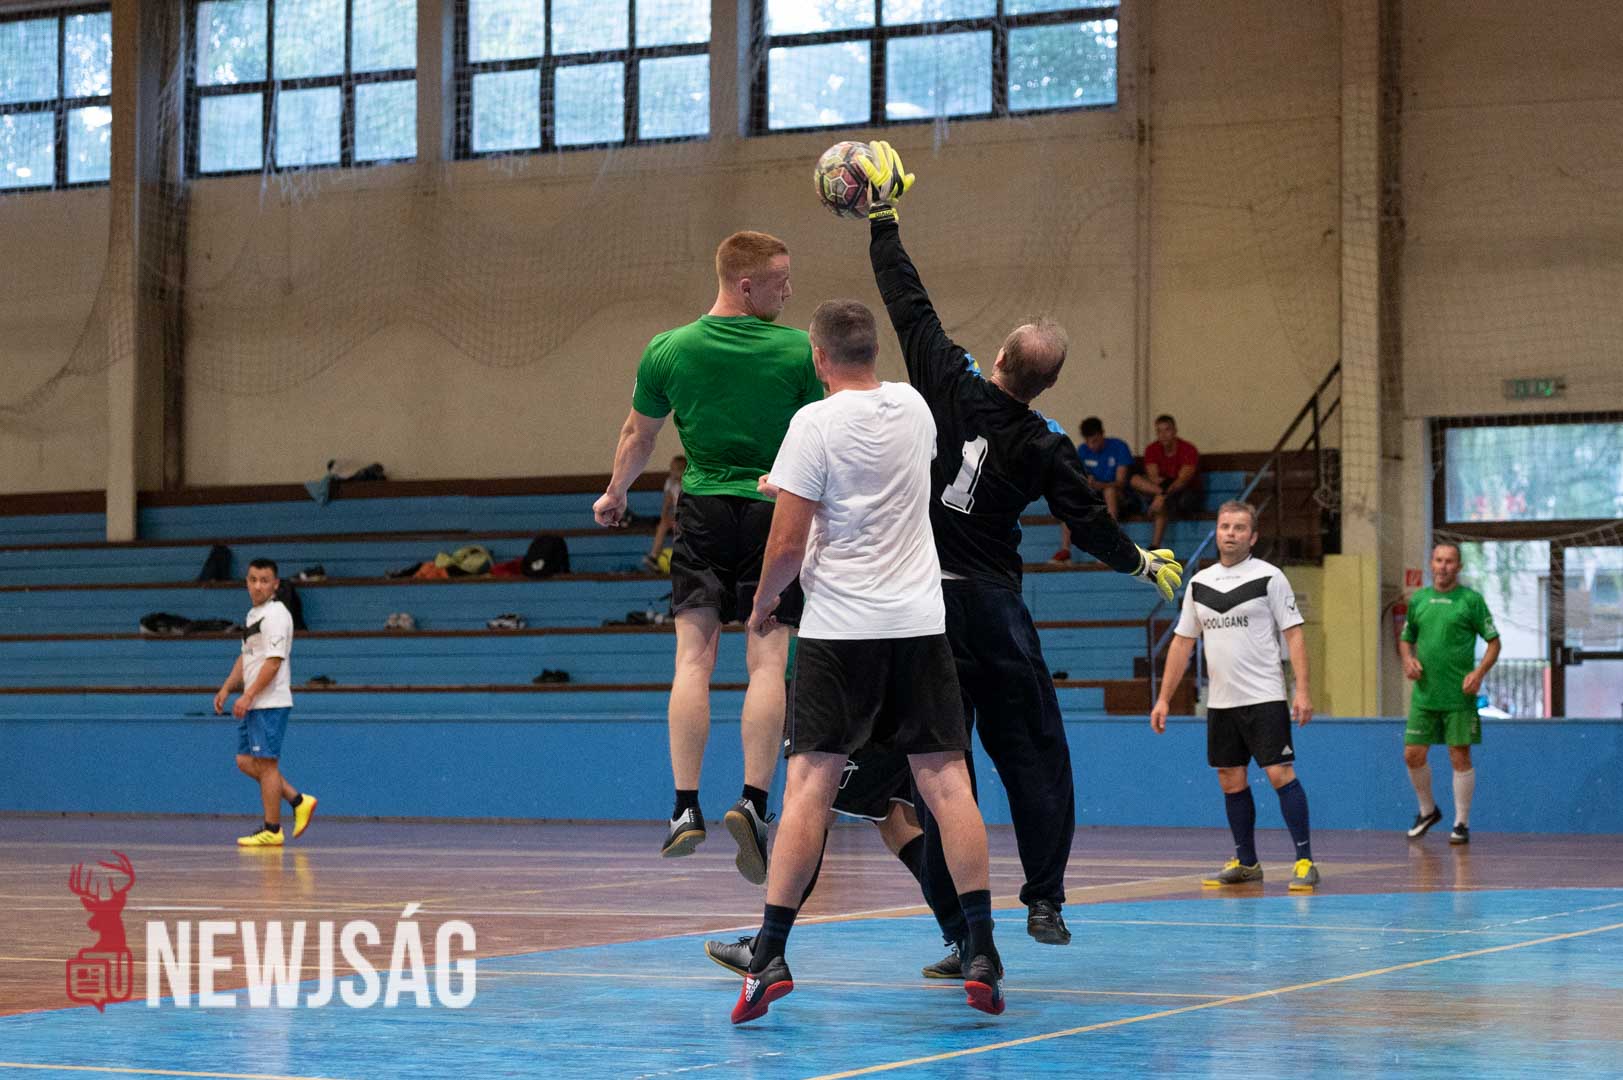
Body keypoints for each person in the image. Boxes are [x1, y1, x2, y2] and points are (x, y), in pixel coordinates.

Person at [860, 141, 1183, 950]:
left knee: (941, 779)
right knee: (1036, 754)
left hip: (922, 609)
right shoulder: (1045, 443)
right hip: (994, 610)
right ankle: (1044, 901)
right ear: (1048, 385)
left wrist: (883, 218)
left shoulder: (946, 379)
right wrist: (1139, 561)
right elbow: (1090, 523)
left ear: (996, 358)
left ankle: (967, 939)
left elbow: (907, 304)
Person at [727, 298, 1007, 1023]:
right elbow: (881, 482)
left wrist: (762, 603)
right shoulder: (914, 408)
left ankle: (770, 954)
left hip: (840, 632)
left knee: (809, 790)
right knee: (947, 787)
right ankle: (980, 949)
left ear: (817, 357)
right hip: (917, 624)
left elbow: (788, 545)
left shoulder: (811, 424)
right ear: (873, 351)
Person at [593, 231, 822, 881]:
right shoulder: (800, 352)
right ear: (745, 285)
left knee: (693, 659)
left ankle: (684, 808)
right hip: (773, 511)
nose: (790, 290)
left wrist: (615, 492)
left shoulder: (669, 349)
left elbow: (639, 433)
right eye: (780, 280)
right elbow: (825, 434)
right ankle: (752, 802)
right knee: (767, 661)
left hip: (700, 513)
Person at [1149, 502, 1319, 890]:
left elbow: (1294, 634)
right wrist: (1163, 698)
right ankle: (1247, 862)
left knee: (1279, 773)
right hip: (1221, 702)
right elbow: (1182, 643)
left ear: (1253, 537)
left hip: (1265, 697)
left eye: (1239, 528)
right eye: (1225, 526)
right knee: (1230, 779)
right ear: (1217, 531)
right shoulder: (1199, 583)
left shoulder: (1270, 577)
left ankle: (1305, 860)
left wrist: (1302, 691)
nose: (1230, 533)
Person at [1399, 541, 1501, 845]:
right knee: (1412, 754)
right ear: (1431, 563)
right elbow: (1406, 638)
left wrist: (1478, 674)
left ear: (1459, 566)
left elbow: (1494, 642)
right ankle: (1427, 811)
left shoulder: (1471, 600)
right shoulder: (1419, 600)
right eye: (1438, 560)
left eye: (1449, 561)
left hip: (1459, 694)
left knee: (1459, 754)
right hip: (1425, 695)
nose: (1443, 566)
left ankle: (1461, 823)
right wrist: (1408, 659)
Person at [213, 558, 317, 848]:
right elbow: (246, 657)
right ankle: (298, 800)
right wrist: (227, 687)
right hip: (256, 703)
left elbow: (273, 662)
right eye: (252, 579)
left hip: (269, 702)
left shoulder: (276, 615)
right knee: (245, 761)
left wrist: (248, 696)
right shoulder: (253, 615)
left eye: (264, 580)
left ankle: (272, 829)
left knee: (267, 765)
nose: (257, 586)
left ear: (275, 585)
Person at [1052, 417, 1136, 561]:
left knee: (1109, 492)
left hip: (1120, 497)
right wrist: (1085, 481)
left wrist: (1099, 485)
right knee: (1069, 499)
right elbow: (1076, 479)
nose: (1092, 445)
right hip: (1094, 496)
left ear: (1102, 434)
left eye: (1095, 440)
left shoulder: (1119, 447)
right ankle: (1065, 550)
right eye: (1088, 441)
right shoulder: (1082, 451)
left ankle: (1111, 545)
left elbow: (1121, 482)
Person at [1130, 414, 1202, 550]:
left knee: (1164, 501)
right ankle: (1154, 547)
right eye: (1159, 431)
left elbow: (1182, 480)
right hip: (1160, 489)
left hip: (1185, 492)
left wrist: (1161, 496)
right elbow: (1153, 477)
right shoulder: (1152, 449)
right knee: (1135, 480)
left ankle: (1155, 546)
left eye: (1167, 430)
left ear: (1175, 431)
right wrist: (1161, 494)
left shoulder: (1188, 449)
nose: (1163, 435)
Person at [641, 454, 686, 572]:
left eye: (676, 470)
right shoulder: (670, 483)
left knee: (678, 527)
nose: (672, 472)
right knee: (663, 524)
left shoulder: (688, 484)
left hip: (687, 516)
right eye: (671, 469)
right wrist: (664, 515)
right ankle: (653, 556)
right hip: (675, 515)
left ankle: (682, 558)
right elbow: (668, 500)